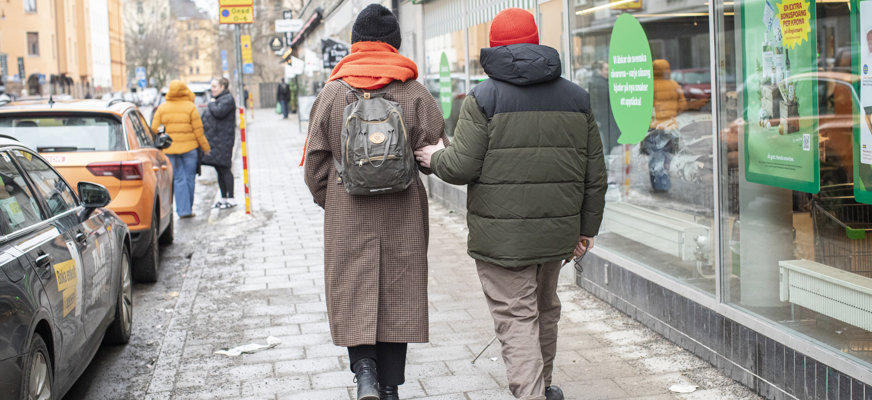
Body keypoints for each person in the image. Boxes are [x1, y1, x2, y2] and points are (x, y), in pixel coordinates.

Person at [414, 8, 607, 400]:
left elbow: (460, 166)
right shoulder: (577, 98)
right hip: (557, 233)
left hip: (503, 240)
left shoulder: (483, 98)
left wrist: (433, 156)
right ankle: (544, 386)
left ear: (494, 48)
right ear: (537, 42)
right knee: (545, 308)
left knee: (516, 317)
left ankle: (531, 394)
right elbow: (595, 174)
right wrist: (586, 229)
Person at [303, 4, 445, 400]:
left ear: (355, 44)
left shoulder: (333, 92)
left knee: (353, 287)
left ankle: (364, 372)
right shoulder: (414, 91)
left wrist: (330, 199)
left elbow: (315, 162)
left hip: (348, 210)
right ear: (394, 44)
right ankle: (390, 386)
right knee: (398, 292)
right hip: (402, 212)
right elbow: (437, 154)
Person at [151, 80, 211, 218]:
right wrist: (205, 147)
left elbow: (154, 129)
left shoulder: (162, 108)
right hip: (190, 150)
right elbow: (198, 131)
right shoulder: (190, 107)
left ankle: (183, 210)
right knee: (190, 178)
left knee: (178, 179)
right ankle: (187, 209)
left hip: (170, 150)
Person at [201, 77, 237, 209]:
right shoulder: (219, 99)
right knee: (219, 169)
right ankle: (224, 197)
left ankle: (231, 198)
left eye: (215, 86)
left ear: (223, 87)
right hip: (217, 141)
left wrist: (210, 103)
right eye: (212, 86)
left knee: (225, 169)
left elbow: (218, 112)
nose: (212, 89)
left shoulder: (227, 99)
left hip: (223, 141)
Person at [587, 60, 621, 155]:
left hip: (606, 119)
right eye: (606, 69)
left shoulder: (603, 82)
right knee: (607, 144)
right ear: (600, 71)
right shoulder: (599, 84)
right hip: (604, 119)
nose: (608, 72)